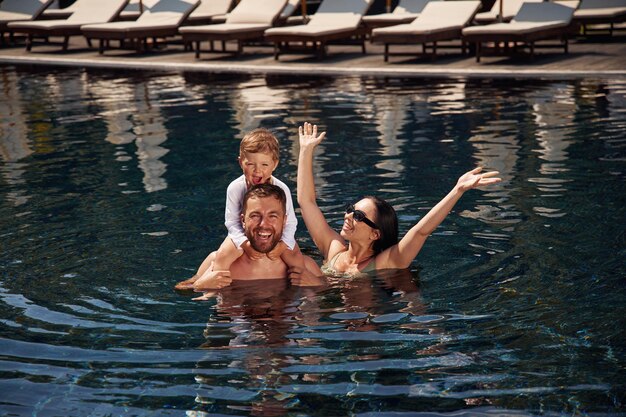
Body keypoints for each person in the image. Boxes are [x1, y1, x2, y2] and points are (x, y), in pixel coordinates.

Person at [296, 122, 502, 276]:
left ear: (375, 234)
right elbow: (307, 203)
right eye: (351, 209)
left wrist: (457, 190)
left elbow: (421, 231)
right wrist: (306, 151)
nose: (347, 215)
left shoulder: (386, 261)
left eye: (358, 215)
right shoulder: (333, 250)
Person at [175, 128, 308, 290]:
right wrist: (245, 244)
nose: (257, 170)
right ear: (240, 163)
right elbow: (231, 223)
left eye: (264, 164)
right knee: (223, 255)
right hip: (241, 234)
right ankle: (216, 284)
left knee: (295, 255)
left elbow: (291, 222)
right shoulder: (235, 188)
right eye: (250, 164)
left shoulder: (281, 188)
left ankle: (301, 286)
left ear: (275, 164)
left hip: (274, 235)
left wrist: (282, 245)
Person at [179, 183, 323, 292]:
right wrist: (199, 285)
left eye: (272, 216)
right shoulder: (219, 263)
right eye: (255, 216)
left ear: (284, 221)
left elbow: (334, 296)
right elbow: (181, 288)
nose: (263, 224)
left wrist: (317, 283)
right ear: (242, 220)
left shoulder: (304, 266)